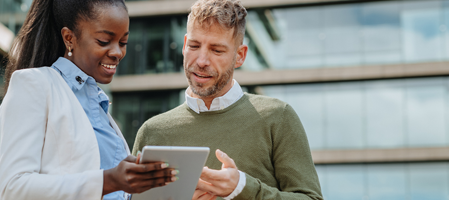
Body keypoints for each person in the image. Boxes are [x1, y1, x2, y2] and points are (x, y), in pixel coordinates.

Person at [132, 0, 323, 200]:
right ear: (184, 45)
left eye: (217, 50)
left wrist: (242, 188)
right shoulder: (151, 132)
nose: (202, 61)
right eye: (194, 46)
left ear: (240, 56)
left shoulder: (278, 117)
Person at [0, 0, 178, 199]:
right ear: (69, 38)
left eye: (123, 42)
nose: (118, 52)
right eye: (103, 41)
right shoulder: (34, 84)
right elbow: (13, 188)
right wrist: (109, 180)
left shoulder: (100, 106)